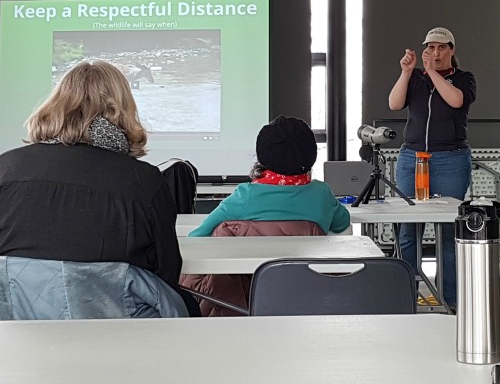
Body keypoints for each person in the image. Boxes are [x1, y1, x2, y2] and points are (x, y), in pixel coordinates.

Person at [0, 61, 196, 316]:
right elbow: (167, 272)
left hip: (17, 335)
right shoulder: (145, 181)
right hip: (123, 337)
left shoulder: (5, 168)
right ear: (124, 109)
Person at [388, 27, 476, 309]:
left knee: (449, 232)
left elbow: (456, 101)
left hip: (451, 158)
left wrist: (434, 74)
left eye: (441, 48)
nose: (435, 53)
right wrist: (406, 71)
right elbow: (394, 104)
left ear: (452, 50)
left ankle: (449, 300)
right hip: (412, 158)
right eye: (430, 48)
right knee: (408, 230)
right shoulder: (415, 78)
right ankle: (406, 296)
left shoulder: (464, 79)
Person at [189, 115, 351, 237]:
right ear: (310, 155)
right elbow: (343, 227)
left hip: (253, 281)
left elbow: (198, 236)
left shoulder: (246, 196)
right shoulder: (321, 194)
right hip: (309, 281)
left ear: (263, 154)